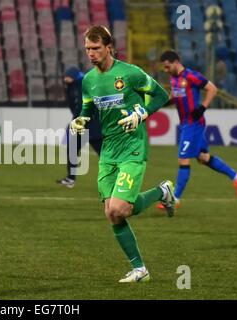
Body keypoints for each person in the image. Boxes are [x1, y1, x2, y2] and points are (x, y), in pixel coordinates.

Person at [70, 25, 175, 283]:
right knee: (112, 213)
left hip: (132, 147)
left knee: (119, 208)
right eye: (87, 49)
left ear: (109, 47)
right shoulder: (89, 80)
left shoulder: (130, 74)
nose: (91, 53)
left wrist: (142, 114)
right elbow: (87, 108)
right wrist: (80, 120)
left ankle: (161, 193)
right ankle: (140, 269)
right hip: (108, 151)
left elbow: (162, 95)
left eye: (95, 48)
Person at [158, 50, 237, 210]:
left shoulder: (191, 76)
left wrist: (203, 107)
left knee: (183, 158)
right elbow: (175, 96)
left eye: (167, 66)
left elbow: (212, 88)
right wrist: (163, 102)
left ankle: (175, 199)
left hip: (194, 124)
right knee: (202, 158)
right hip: (186, 124)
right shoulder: (173, 78)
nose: (166, 70)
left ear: (176, 62)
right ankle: (236, 176)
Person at [56, 66, 103, 188]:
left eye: (68, 77)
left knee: (104, 154)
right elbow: (73, 104)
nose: (66, 80)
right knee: (72, 149)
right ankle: (70, 178)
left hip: (93, 125)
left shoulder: (84, 84)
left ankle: (117, 178)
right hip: (81, 125)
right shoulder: (71, 87)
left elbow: (84, 106)